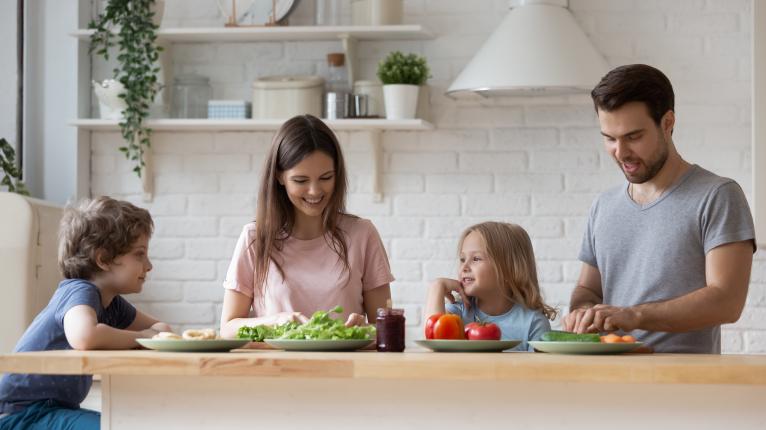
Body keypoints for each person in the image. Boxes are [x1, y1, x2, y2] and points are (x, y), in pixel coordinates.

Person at [563, 64, 756, 353]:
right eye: (609, 138)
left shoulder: (717, 196)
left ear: (667, 123)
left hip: (682, 385)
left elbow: (727, 302)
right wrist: (584, 311)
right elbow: (588, 290)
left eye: (633, 136)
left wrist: (634, 315)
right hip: (607, 381)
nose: (620, 151)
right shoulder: (603, 206)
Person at [0, 197, 172, 429]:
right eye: (139, 254)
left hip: (52, 409)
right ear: (103, 259)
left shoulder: (112, 303)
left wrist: (152, 334)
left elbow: (163, 329)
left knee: (128, 423)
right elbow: (84, 336)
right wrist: (145, 337)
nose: (148, 265)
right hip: (22, 414)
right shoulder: (79, 290)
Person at [220, 114, 394, 337]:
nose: (315, 191)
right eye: (301, 181)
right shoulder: (255, 238)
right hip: (275, 370)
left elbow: (388, 330)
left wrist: (364, 330)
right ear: (280, 177)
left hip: (345, 370)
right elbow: (227, 329)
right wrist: (277, 321)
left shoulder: (362, 234)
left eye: (326, 177)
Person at [425, 222, 556, 351]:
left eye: (476, 259)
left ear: (508, 269)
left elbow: (540, 370)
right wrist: (437, 287)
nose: (464, 267)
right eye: (462, 259)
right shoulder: (457, 313)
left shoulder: (533, 323)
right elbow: (434, 348)